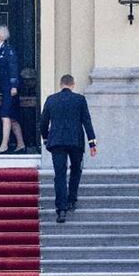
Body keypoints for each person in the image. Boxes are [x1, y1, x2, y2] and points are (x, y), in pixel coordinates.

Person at [40, 74, 97, 223]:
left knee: (59, 174)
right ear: (73, 85)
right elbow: (87, 122)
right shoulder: (80, 100)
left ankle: (61, 209)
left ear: (61, 84)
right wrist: (92, 143)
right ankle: (72, 199)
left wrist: (46, 138)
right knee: (76, 170)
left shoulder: (51, 99)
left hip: (57, 141)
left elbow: (43, 122)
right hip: (75, 141)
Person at [0, 25, 26, 153]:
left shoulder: (8, 50)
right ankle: (21, 143)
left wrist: (14, 86)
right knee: (12, 117)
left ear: (1, 35)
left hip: (11, 88)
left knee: (5, 115)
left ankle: (4, 145)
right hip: (5, 87)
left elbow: (13, 68)